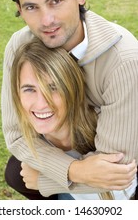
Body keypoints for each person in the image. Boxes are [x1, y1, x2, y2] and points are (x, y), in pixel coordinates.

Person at [0, 0, 138, 199]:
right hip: (69, 147)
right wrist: (74, 170)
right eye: (31, 7)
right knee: (17, 172)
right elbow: (17, 135)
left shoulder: (124, 59)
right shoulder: (20, 45)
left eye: (55, 1)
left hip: (126, 151)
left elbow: (117, 171)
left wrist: (46, 180)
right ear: (19, 9)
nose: (46, 20)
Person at [10, 37, 137, 200]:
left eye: (53, 87)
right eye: (29, 89)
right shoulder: (31, 146)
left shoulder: (109, 129)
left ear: (72, 89)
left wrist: (44, 181)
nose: (41, 104)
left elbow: (118, 178)